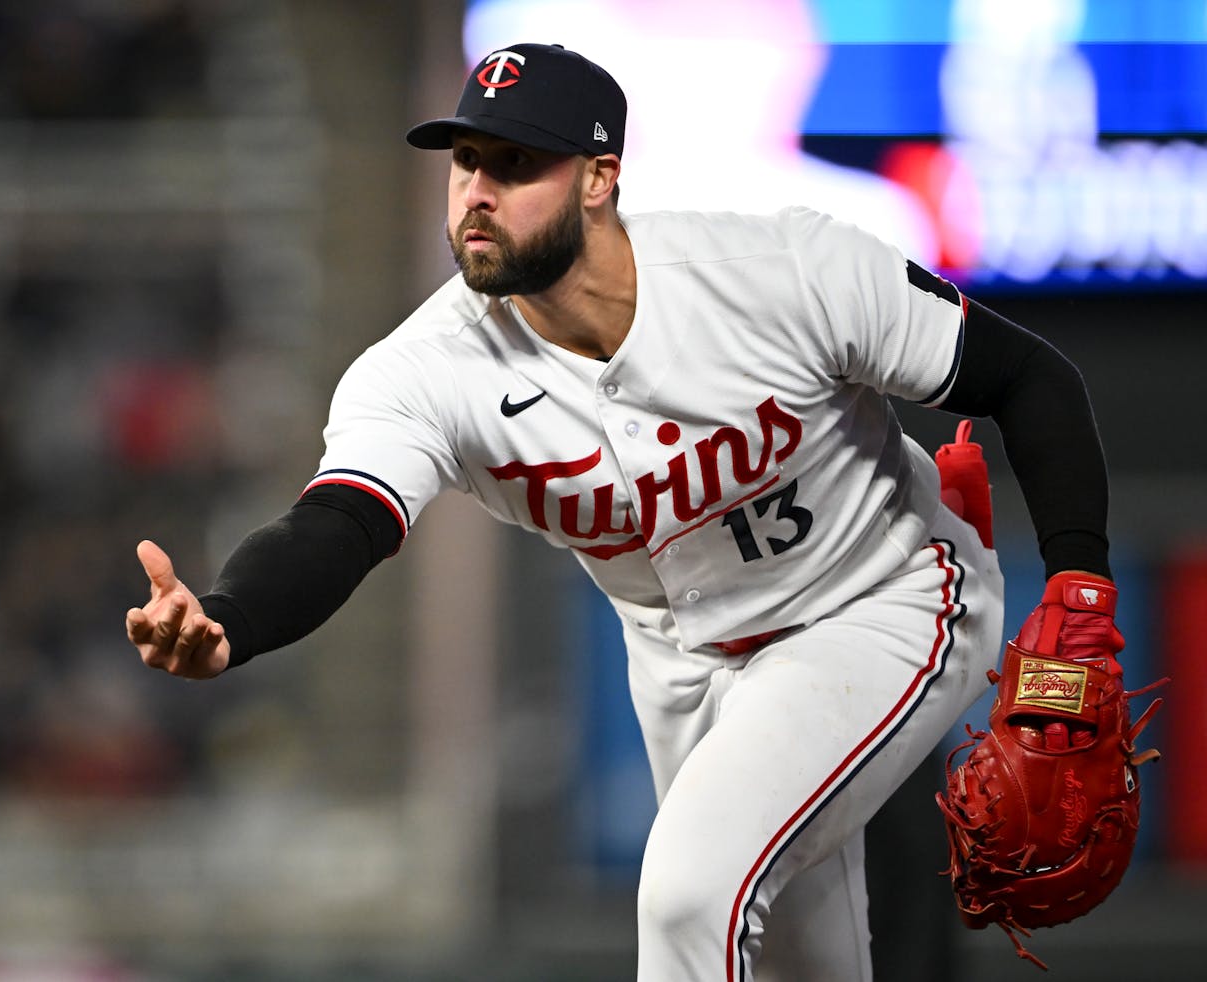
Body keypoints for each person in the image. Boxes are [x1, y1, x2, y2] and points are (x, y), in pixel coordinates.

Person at [126, 43, 1121, 980]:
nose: (476, 192)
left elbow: (1029, 377)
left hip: (881, 598)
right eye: (463, 160)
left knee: (691, 897)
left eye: (514, 164)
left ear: (599, 179)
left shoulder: (775, 274)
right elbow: (338, 522)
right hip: (683, 665)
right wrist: (232, 618)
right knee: (800, 959)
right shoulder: (425, 371)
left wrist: (1076, 582)